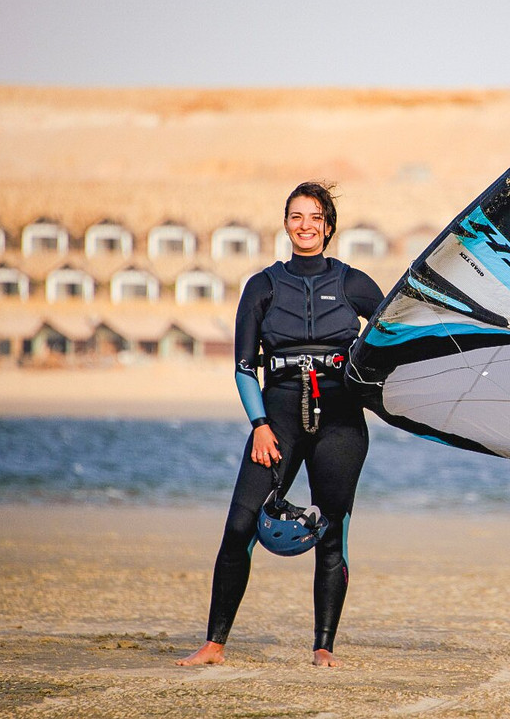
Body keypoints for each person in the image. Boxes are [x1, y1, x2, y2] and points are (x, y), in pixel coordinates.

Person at [177, 182, 384, 668]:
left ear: (328, 226)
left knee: (332, 533)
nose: (305, 225)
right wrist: (260, 425)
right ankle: (214, 644)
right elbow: (245, 367)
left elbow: (392, 341)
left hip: (340, 421)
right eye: (296, 216)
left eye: (315, 217)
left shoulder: (355, 283)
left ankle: (323, 647)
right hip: (279, 418)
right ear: (285, 222)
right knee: (239, 526)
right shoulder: (263, 286)